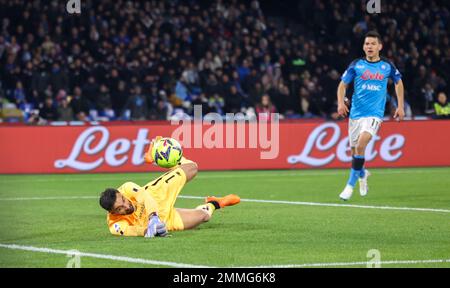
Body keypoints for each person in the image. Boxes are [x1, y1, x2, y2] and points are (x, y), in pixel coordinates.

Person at [99, 137, 240, 237]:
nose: (126, 205)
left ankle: (155, 156)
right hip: (164, 221)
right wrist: (150, 229)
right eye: (120, 208)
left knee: (192, 168)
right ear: (112, 212)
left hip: (157, 194)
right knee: (204, 217)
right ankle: (214, 203)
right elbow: (133, 231)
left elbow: (145, 196)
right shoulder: (115, 225)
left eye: (123, 200)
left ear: (121, 194)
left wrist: (153, 216)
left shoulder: (126, 188)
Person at [336, 31, 405, 201]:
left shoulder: (387, 66)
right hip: (355, 115)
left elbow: (398, 83)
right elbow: (342, 85)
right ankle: (363, 174)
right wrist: (340, 103)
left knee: (361, 145)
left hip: (374, 114)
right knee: (355, 152)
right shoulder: (356, 65)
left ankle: (349, 186)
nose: (369, 47)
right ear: (363, 47)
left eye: (373, 44)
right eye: (367, 44)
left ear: (380, 46)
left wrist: (401, 106)